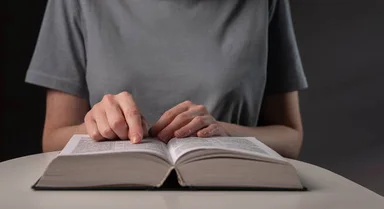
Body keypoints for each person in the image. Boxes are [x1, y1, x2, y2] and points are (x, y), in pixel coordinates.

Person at [25, 0, 308, 159]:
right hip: (110, 194)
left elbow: (290, 138)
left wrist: (223, 132)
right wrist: (98, 125)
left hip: (234, 194)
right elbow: (52, 139)